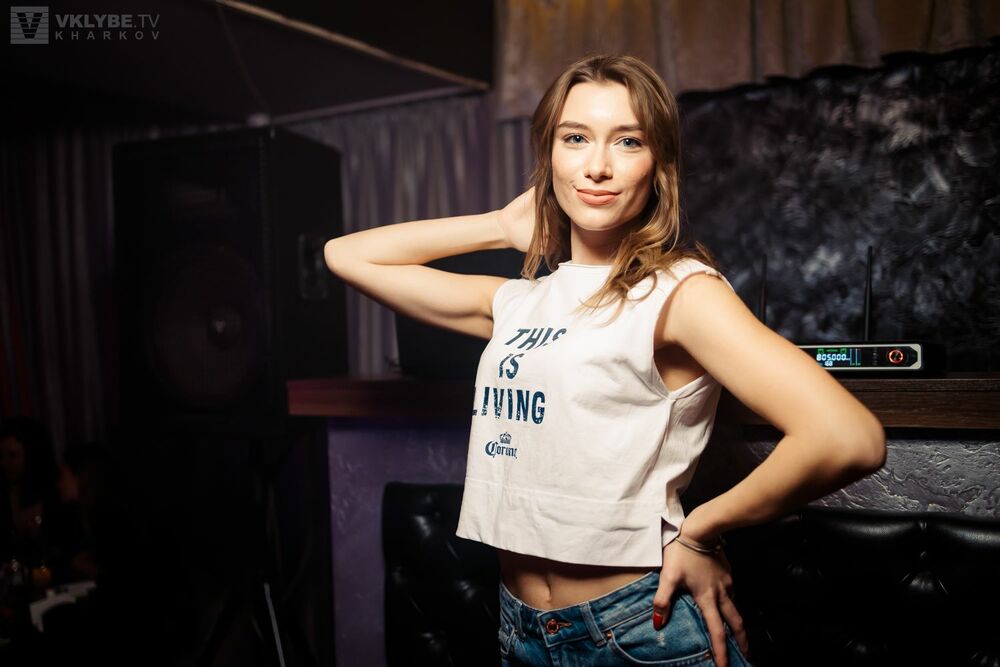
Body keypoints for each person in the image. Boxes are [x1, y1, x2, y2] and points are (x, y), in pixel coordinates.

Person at [324, 54, 886, 667]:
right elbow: (346, 256)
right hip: (519, 629)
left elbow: (847, 438)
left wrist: (702, 531)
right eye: (575, 139)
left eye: (628, 141)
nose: (597, 166)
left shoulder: (680, 293)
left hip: (636, 629)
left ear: (658, 165)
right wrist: (499, 226)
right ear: (549, 158)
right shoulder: (518, 301)